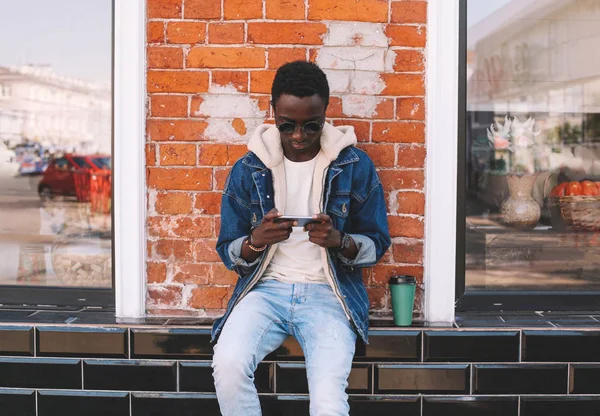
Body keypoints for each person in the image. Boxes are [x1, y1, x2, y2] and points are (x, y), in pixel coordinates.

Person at [212, 61, 391, 416]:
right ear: (273, 113)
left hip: (329, 293)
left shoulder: (354, 165)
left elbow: (377, 241)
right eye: (287, 125)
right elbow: (228, 249)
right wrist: (256, 241)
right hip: (264, 292)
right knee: (228, 367)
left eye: (311, 125)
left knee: (327, 400)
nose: (298, 135)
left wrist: (339, 241)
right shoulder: (248, 168)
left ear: (325, 113)